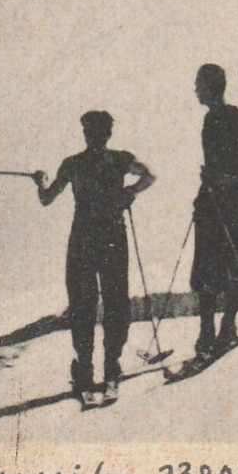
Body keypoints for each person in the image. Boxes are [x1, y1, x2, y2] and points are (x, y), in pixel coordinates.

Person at [35, 110, 156, 403]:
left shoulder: (72, 164)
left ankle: (87, 374)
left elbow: (46, 198)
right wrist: (130, 192)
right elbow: (149, 176)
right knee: (115, 302)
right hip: (113, 237)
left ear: (86, 134)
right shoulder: (121, 159)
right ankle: (111, 370)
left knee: (82, 304)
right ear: (108, 134)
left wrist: (40, 181)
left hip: (84, 240)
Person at [188, 63, 238, 361]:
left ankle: (226, 325)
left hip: (230, 198)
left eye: (199, 84)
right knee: (206, 262)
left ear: (210, 86)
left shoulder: (233, 116)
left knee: (234, 260)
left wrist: (230, 176)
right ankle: (208, 330)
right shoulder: (211, 118)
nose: (195, 89)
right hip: (210, 198)